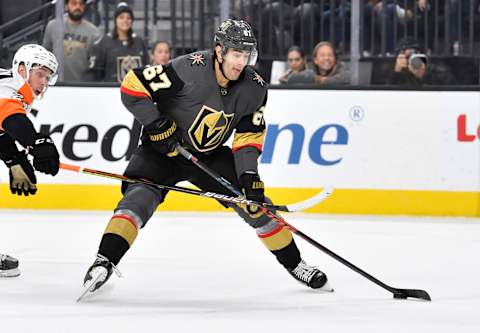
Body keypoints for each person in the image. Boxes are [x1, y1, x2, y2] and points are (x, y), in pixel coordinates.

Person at [81, 19, 332, 297]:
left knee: (256, 207)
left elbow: (248, 136)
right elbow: (132, 85)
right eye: (236, 54)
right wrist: (155, 125)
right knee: (137, 201)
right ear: (220, 51)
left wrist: (249, 175)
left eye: (246, 55)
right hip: (163, 151)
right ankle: (104, 261)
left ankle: (296, 264)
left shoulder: (255, 87)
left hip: (208, 156)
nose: (241, 62)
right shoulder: (188, 68)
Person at [0, 44, 61, 277]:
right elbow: (10, 116)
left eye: (48, 77)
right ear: (22, 69)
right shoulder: (11, 86)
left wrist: (12, 158)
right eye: (40, 74)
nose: (44, 82)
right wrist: (34, 143)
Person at [87, 2, 149, 83]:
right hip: (110, 91)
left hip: (135, 91)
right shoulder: (103, 42)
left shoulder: (139, 42)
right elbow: (95, 73)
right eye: (121, 17)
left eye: (128, 18)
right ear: (115, 20)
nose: (125, 20)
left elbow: (146, 68)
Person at [42, 0, 101, 82]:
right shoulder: (53, 26)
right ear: (66, 6)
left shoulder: (94, 32)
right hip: (54, 85)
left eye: (81, 4)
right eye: (74, 3)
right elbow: (45, 55)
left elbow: (94, 64)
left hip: (81, 86)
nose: (77, 7)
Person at [388, 37, 455, 86]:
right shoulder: (394, 69)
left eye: (414, 54)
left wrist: (424, 74)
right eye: (407, 56)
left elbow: (451, 84)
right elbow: (386, 92)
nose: (411, 59)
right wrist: (396, 72)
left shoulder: (433, 69)